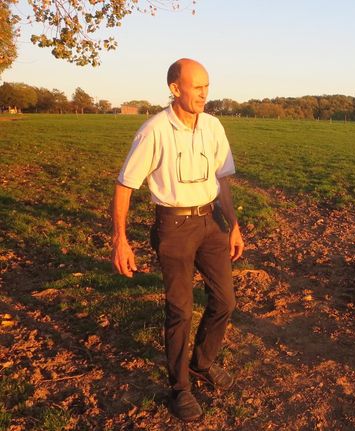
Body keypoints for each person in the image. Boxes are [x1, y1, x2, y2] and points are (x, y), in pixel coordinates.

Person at [110, 58, 245, 422]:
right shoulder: (154, 130)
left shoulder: (214, 126)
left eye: (207, 86)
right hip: (173, 228)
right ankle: (179, 388)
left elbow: (223, 181)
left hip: (211, 222)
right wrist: (120, 240)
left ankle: (202, 363)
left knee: (225, 301)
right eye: (197, 86)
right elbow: (124, 185)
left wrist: (232, 225)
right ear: (175, 89)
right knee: (180, 311)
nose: (204, 93)